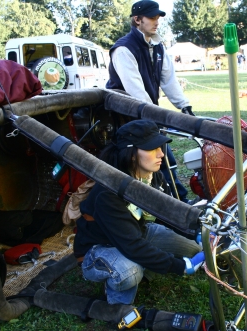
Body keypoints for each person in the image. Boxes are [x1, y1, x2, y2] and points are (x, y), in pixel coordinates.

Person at [73, 120, 203, 305]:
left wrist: (196, 231)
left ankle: (144, 265)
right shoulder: (107, 193)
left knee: (193, 249)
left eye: (161, 146)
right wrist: (181, 266)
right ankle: (117, 307)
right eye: (152, 148)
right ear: (132, 154)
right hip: (99, 248)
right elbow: (132, 246)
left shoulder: (152, 175)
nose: (161, 154)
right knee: (130, 272)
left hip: (136, 232)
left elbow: (167, 212)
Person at [106, 0, 196, 204]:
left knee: (164, 159)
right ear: (137, 20)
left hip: (148, 114)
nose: (157, 22)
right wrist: (157, 116)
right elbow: (135, 90)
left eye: (158, 18)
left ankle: (176, 201)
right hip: (126, 117)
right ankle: (172, 203)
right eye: (152, 17)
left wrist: (184, 105)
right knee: (151, 162)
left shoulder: (157, 47)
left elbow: (168, 79)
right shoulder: (123, 49)